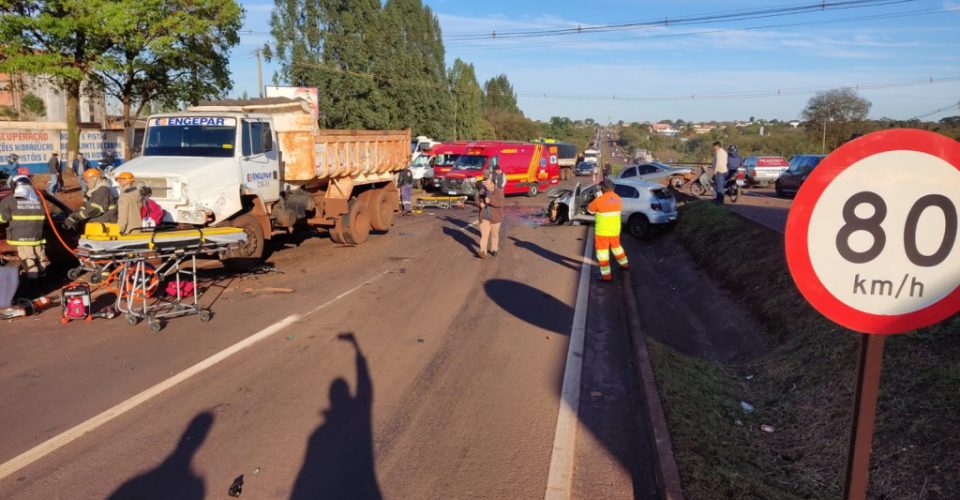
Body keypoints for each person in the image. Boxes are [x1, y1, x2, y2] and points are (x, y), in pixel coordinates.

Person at [0, 175, 47, 280]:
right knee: (40, 259)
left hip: (22, 237)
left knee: (29, 260)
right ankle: (43, 283)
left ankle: (33, 287)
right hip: (37, 236)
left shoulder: (8, 201)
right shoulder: (38, 200)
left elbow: (3, 219)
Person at [587, 179, 629, 282]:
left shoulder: (599, 200)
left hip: (602, 232)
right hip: (615, 230)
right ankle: (625, 265)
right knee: (617, 248)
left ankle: (606, 276)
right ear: (613, 188)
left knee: (603, 254)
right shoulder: (617, 198)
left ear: (602, 189)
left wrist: (597, 197)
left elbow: (590, 210)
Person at [477, 176, 503, 259]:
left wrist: (490, 201)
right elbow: (476, 198)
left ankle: (494, 249)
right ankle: (483, 252)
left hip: (495, 218)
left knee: (494, 235)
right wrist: (479, 204)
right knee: (484, 235)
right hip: (484, 217)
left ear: (492, 184)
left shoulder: (498, 192)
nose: (486, 186)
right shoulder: (482, 191)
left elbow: (500, 203)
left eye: (487, 184)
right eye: (485, 184)